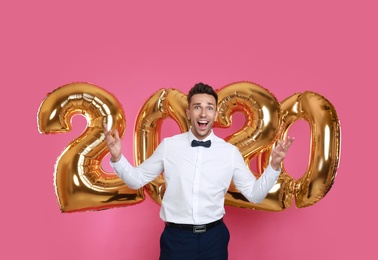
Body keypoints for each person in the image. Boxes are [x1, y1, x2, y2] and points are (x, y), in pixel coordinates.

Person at [104, 82, 294, 260]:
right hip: (176, 239)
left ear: (216, 113)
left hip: (214, 239)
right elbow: (136, 180)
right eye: (197, 107)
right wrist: (117, 157)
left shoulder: (229, 153)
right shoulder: (169, 146)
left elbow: (255, 195)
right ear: (188, 112)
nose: (203, 113)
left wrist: (274, 166)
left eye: (209, 107)